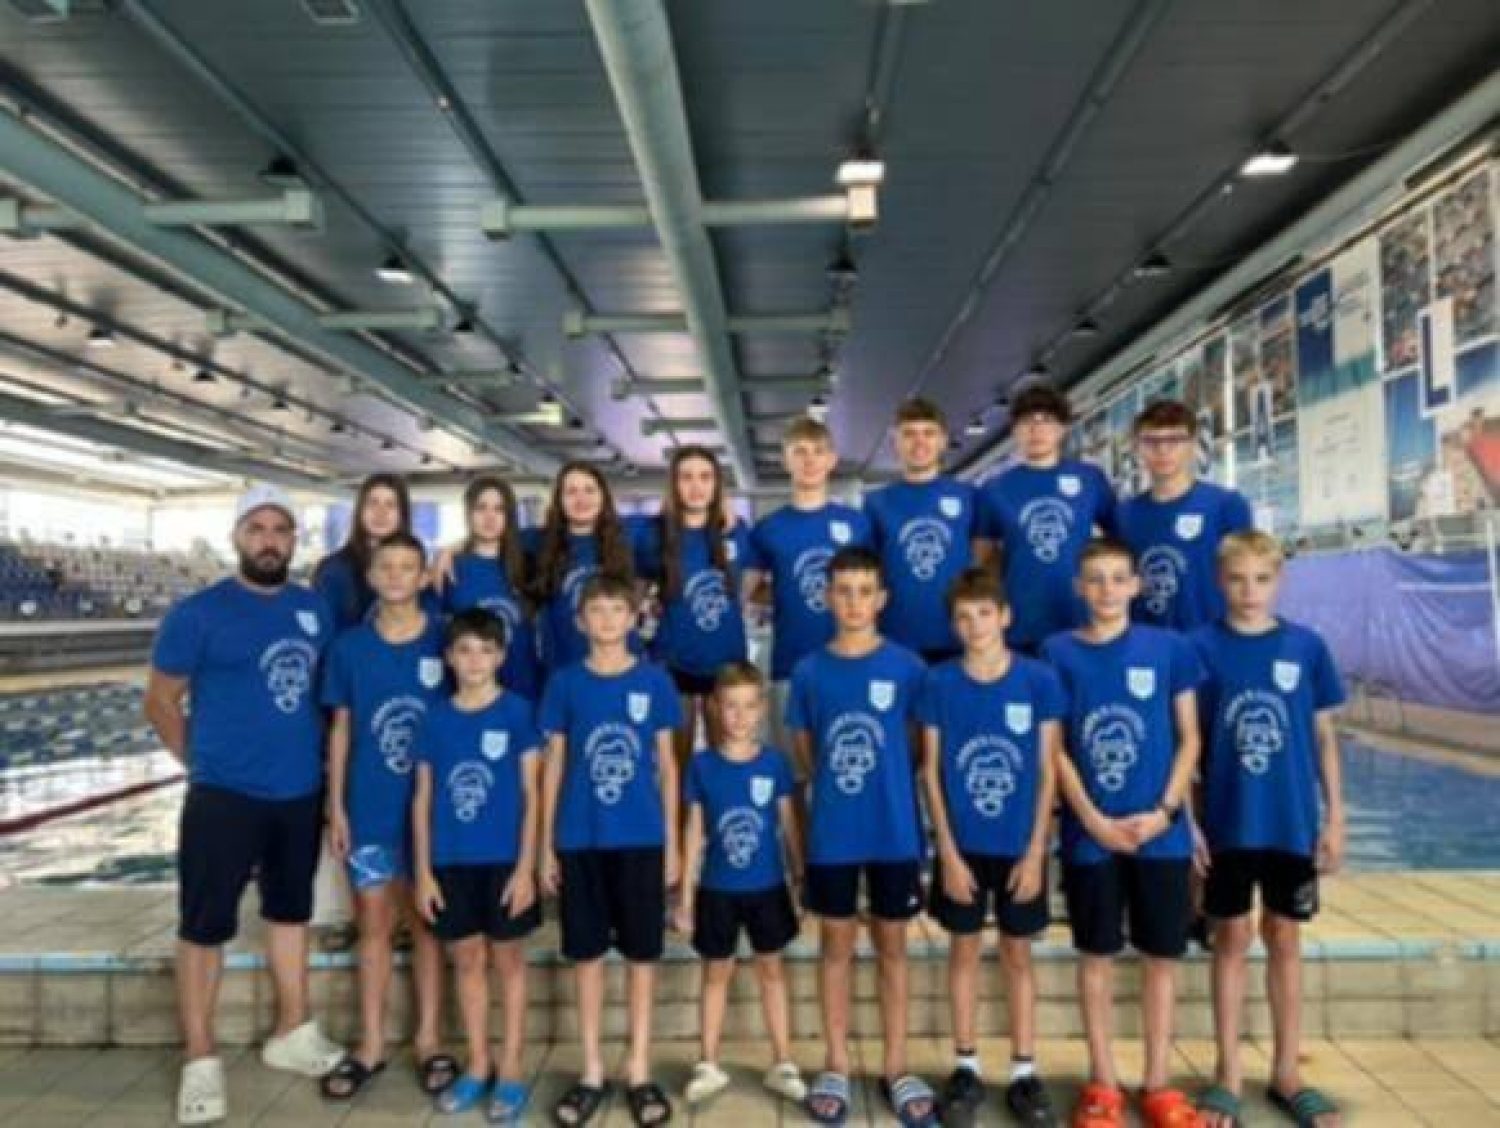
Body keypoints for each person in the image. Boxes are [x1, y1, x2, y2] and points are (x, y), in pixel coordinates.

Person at [144, 485, 344, 1126]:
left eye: (280, 530)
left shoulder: (314, 610)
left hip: (298, 793)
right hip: (223, 796)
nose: (268, 540)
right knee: (204, 925)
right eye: (257, 528)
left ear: (293, 541)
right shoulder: (198, 613)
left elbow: (327, 698)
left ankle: (293, 1030)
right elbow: (160, 700)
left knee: (290, 913)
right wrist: (202, 765)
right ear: (237, 537)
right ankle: (200, 1059)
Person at [1042, 538, 1205, 1128]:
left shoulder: (1170, 649)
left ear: (1137, 586)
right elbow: (1055, 748)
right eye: (1095, 579)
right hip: (1091, 835)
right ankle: (1104, 1082)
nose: (1107, 590)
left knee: (1161, 958)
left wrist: (1165, 812)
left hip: (1161, 834)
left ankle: (1158, 1083)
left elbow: (1190, 738)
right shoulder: (1057, 652)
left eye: (1118, 578)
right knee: (1096, 957)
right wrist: (1091, 820)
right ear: (1079, 588)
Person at [1190, 532, 1346, 1128]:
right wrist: (1190, 823)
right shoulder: (1199, 648)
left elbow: (1324, 739)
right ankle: (1227, 1073)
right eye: (1237, 579)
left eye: (1260, 579)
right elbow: (1187, 745)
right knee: (1230, 939)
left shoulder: (1306, 647)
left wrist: (1336, 818)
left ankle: (1286, 1072)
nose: (1249, 591)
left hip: (1291, 822)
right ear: (1219, 581)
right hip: (1228, 821)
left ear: (1279, 580)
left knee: (1284, 935)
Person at [786, 546, 934, 1128]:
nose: (853, 602)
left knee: (893, 948)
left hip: (894, 830)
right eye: (843, 591)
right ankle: (837, 1064)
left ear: (882, 599)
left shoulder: (908, 668)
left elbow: (918, 746)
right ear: (827, 598)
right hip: (834, 834)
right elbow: (805, 751)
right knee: (836, 948)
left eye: (864, 591)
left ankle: (897, 1066)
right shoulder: (808, 671)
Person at [918, 568, 1061, 1127]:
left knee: (1017, 954)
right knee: (964, 950)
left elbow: (1048, 771)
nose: (975, 625)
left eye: (984, 613)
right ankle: (966, 1065)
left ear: (1005, 616)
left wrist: (1036, 851)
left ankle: (1024, 1070)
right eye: (963, 617)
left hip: (1019, 845)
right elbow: (931, 774)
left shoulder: (1038, 680)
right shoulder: (938, 684)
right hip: (964, 846)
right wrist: (947, 854)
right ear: (953, 626)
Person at [538, 573, 681, 1128]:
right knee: (588, 957)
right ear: (580, 621)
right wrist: (546, 846)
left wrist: (672, 844)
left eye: (617, 610)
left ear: (634, 619)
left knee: (643, 957)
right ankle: (593, 1069)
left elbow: (668, 768)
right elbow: (553, 766)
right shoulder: (565, 683)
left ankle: (639, 1067)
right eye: (595, 611)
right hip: (581, 838)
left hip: (641, 839)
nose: (606, 621)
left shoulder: (654, 682)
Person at [319, 532, 453, 1101]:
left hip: (435, 811)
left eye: (407, 567)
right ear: (371, 577)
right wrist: (335, 806)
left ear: (424, 577)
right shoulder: (349, 648)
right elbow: (341, 730)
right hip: (370, 806)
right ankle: (371, 1043)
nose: (396, 576)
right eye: (386, 567)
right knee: (372, 922)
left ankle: (429, 1039)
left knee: (426, 922)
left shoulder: (447, 640)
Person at [413, 609, 543, 1121]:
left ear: (501, 657)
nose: (474, 661)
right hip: (451, 861)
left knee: (508, 962)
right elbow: (423, 799)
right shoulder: (435, 719)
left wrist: (526, 868)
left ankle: (511, 1066)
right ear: (449, 657)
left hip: (505, 861)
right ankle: (478, 1062)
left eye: (485, 651)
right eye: (464, 650)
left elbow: (532, 796)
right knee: (466, 960)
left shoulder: (518, 713)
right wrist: (424, 872)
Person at [675, 661, 806, 1111]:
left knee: (772, 971)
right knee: (716, 973)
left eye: (749, 706)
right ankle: (708, 1063)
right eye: (731, 706)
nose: (740, 716)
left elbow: (789, 827)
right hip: (717, 891)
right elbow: (693, 833)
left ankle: (783, 1061)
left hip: (768, 888)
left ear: (762, 708)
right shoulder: (701, 766)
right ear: (714, 707)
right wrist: (686, 898)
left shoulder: (774, 763)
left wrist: (799, 879)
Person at [744, 415, 871, 760]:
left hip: (850, 662)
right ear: (785, 461)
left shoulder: (857, 524)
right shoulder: (768, 528)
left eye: (818, 451)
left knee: (846, 761)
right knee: (795, 769)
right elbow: (747, 591)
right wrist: (788, 593)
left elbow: (874, 590)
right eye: (799, 452)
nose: (810, 460)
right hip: (791, 662)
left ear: (832, 460)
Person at [636, 445, 751, 776]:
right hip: (673, 664)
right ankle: (678, 813)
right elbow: (634, 595)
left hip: (726, 664)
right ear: (674, 484)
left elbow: (751, 586)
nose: (696, 486)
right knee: (675, 766)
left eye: (705, 477)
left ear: (717, 484)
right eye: (686, 477)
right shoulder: (655, 534)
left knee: (726, 764)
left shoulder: (737, 532)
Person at [979, 384, 1117, 656]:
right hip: (1021, 621)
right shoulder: (995, 488)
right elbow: (982, 558)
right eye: (1027, 421)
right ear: (1014, 430)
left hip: (1082, 616)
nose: (1037, 429)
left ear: (1062, 429)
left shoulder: (1090, 479)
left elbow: (1118, 542)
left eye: (1047, 420)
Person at [1115, 400, 1254, 631]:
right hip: (1148, 642)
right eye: (1151, 441)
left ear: (1192, 444)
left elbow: (1248, 580)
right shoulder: (1124, 515)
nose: (1163, 450)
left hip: (1211, 641)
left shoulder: (1226, 506)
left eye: (1174, 440)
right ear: (1137, 448)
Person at [864, 398, 982, 664]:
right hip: (895, 638)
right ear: (895, 442)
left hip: (960, 636)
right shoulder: (875, 503)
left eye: (928, 433)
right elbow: (868, 574)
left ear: (943, 441)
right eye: (909, 434)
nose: (919, 442)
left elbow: (984, 561)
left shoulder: (969, 497)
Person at [530, 462, 642, 677]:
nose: (581, 499)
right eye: (571, 492)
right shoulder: (538, 543)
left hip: (622, 668)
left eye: (589, 490)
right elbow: (495, 539)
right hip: (564, 671)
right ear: (559, 500)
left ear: (603, 496)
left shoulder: (628, 537)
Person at [439, 475, 541, 703]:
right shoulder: (451, 568)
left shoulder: (528, 565)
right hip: (468, 696)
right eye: (481, 508)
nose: (489, 517)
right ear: (468, 514)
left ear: (509, 516)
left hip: (523, 693)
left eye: (499, 509)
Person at [312, 473, 413, 631]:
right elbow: (321, 631)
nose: (381, 512)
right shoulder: (334, 569)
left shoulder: (414, 569)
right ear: (360, 511)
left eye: (391, 505)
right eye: (373, 503)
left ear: (402, 515)